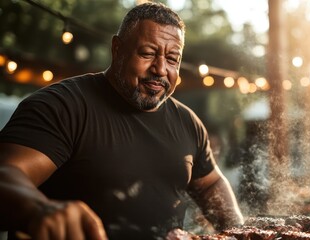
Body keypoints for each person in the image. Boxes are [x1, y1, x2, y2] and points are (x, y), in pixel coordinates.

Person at [0, 2, 243, 240]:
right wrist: (37, 209)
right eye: (148, 53)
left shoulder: (188, 122)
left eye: (172, 59)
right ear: (117, 49)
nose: (160, 69)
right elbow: (6, 172)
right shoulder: (62, 105)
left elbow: (210, 184)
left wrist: (240, 232)